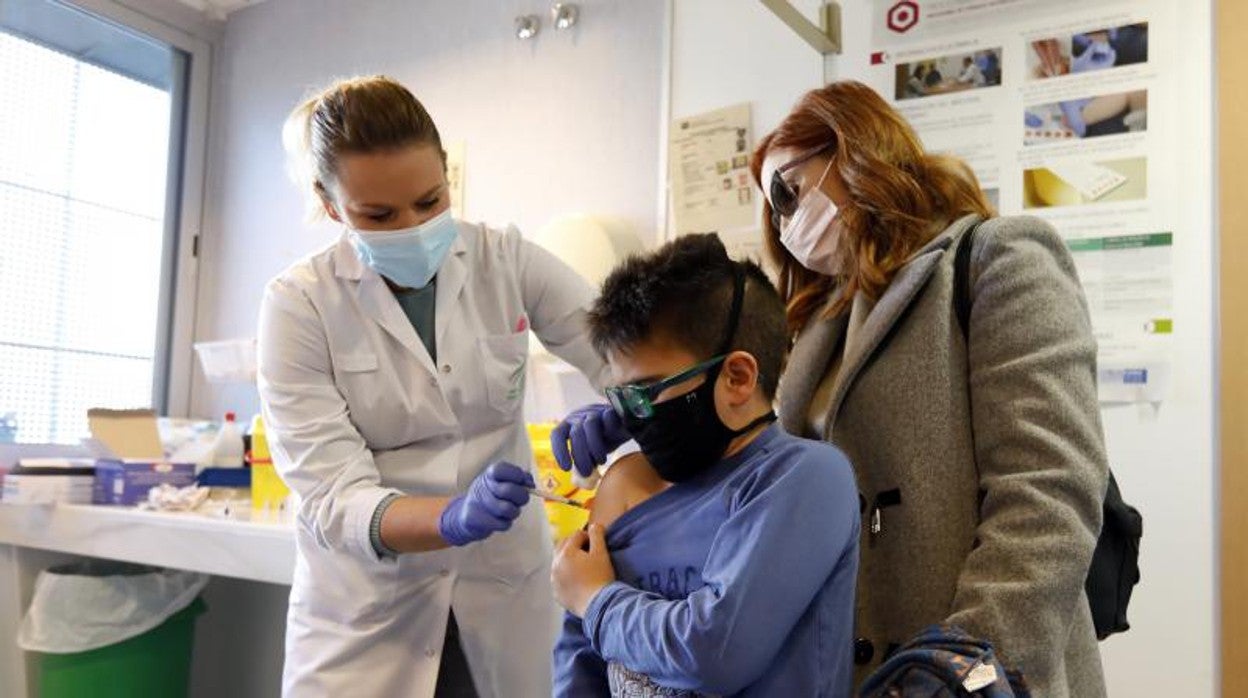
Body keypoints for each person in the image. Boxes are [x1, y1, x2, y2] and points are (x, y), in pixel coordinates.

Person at [553, 80, 1109, 697]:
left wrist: (963, 668)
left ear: (856, 148)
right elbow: (749, 429)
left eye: (791, 189)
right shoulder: (816, 319)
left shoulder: (993, 259)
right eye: (775, 209)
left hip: (959, 668)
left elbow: (1047, 494)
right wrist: (638, 413)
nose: (787, 220)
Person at [258, 75, 610, 698]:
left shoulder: (507, 260)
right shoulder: (300, 305)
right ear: (331, 202)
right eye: (379, 214)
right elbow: (333, 495)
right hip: (368, 615)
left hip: (502, 590)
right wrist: (449, 517)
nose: (412, 227)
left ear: (448, 175)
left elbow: (621, 346)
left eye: (429, 201)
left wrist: (625, 408)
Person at [549, 233, 860, 697]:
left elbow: (714, 651)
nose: (634, 414)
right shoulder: (627, 484)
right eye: (623, 396)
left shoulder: (806, 478)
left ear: (737, 377)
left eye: (648, 392)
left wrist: (596, 600)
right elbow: (580, 660)